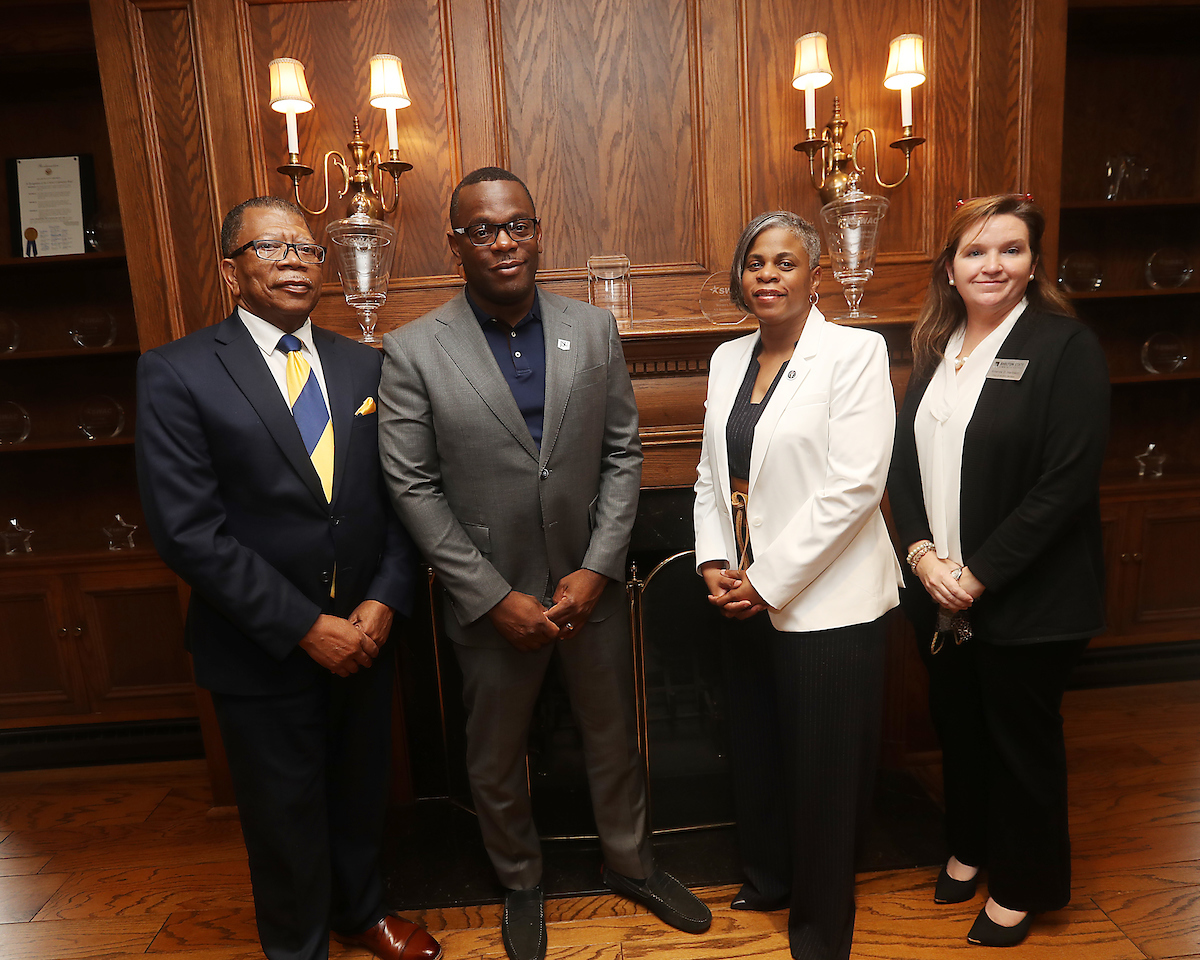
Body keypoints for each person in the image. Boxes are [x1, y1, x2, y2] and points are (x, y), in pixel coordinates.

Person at [377, 167, 711, 960]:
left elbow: (624, 454)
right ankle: (520, 881)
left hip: (588, 586)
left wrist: (599, 566)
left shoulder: (591, 330)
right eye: (484, 230)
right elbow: (412, 486)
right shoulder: (413, 349)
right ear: (455, 243)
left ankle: (630, 864)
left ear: (537, 232)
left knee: (614, 737)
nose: (504, 243)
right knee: (495, 758)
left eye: (517, 226)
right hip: (490, 598)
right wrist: (492, 596)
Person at [135, 196, 440, 960]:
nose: (296, 260)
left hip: (366, 634)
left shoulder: (366, 364)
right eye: (272, 247)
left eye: (307, 248)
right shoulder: (176, 373)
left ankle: (361, 913)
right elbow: (187, 532)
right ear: (231, 270)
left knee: (361, 789)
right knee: (283, 811)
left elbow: (406, 499)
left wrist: (382, 602)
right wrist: (307, 627)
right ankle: (297, 946)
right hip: (261, 643)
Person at [888, 194, 1109, 947]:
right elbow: (904, 471)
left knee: (1021, 743)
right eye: (976, 252)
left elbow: (1065, 485)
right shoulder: (938, 349)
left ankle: (1024, 882)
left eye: (1010, 250)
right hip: (942, 598)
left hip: (1027, 598)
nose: (993, 265)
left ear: (1033, 264)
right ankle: (971, 845)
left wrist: (976, 575)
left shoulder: (1063, 348)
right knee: (962, 731)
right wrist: (920, 557)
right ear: (949, 269)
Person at [692, 210, 903, 960]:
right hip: (743, 591)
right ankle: (771, 876)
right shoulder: (726, 359)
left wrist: (769, 580)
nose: (768, 275)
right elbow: (711, 474)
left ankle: (819, 928)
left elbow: (854, 486)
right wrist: (715, 560)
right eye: (755, 262)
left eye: (785, 262)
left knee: (823, 773)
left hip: (827, 601)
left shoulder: (855, 352)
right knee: (759, 749)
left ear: (815, 275)